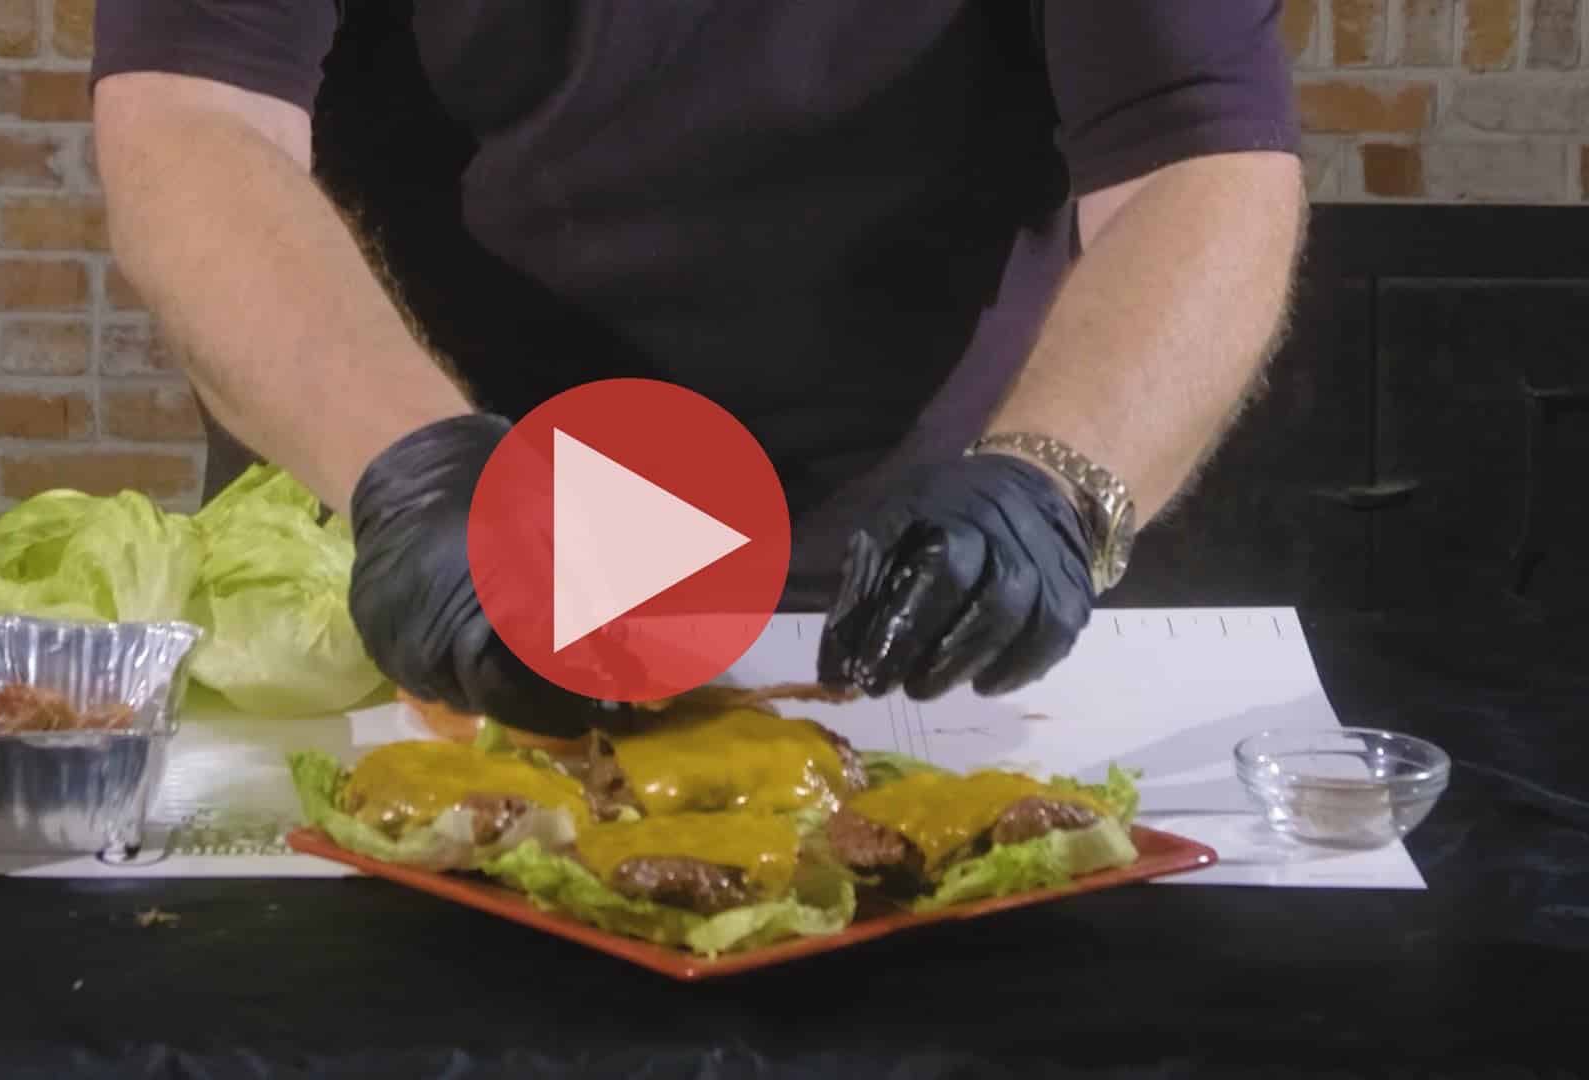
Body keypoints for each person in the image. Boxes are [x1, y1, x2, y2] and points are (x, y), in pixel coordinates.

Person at [89, 1, 1306, 734]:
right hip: (405, 564)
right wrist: (409, 472)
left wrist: (1051, 487)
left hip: (921, 607)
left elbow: (1202, 165)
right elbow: (194, 119)